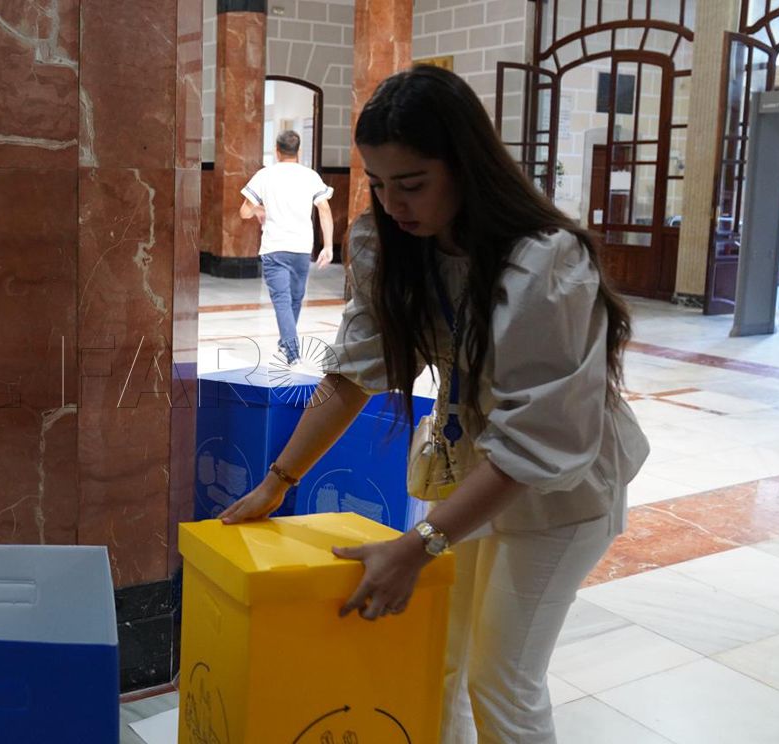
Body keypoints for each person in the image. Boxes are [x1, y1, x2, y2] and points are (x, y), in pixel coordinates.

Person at [218, 66, 649, 743]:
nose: (393, 204)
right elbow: (352, 375)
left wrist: (418, 544)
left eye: (412, 184)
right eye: (379, 184)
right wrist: (278, 482)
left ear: (465, 166)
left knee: (500, 680)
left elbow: (535, 444)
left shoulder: (543, 261)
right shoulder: (394, 245)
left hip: (561, 490)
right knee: (440, 660)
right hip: (471, 469)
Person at [239, 130, 336, 365]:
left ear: (277, 151)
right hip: (302, 247)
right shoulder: (310, 176)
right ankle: (291, 350)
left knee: (283, 300)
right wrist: (329, 246)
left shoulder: (265, 176)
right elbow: (324, 209)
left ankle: (289, 348)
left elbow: (244, 212)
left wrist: (260, 211)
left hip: (275, 247)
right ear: (299, 151)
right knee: (294, 299)